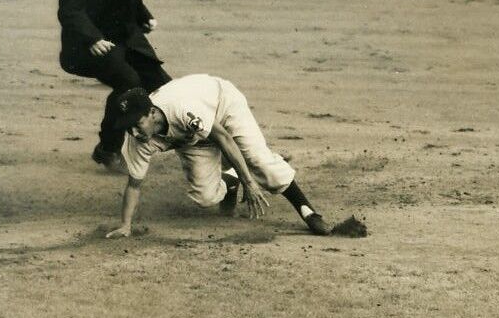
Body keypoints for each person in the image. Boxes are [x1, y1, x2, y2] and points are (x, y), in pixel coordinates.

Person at [101, 75, 333, 238]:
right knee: (205, 197)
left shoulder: (183, 109)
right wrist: (126, 225)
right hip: (191, 138)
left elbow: (224, 138)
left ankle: (308, 212)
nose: (133, 132)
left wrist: (250, 182)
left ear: (151, 112)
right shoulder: (138, 138)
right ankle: (230, 180)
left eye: (136, 124)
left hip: (223, 106)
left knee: (257, 160)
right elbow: (134, 184)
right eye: (127, 126)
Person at [57, 0, 171, 171]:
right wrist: (93, 39)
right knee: (129, 82)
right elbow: (69, 11)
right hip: (89, 46)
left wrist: (143, 15)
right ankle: (108, 149)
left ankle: (190, 143)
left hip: (126, 36)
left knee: (162, 84)